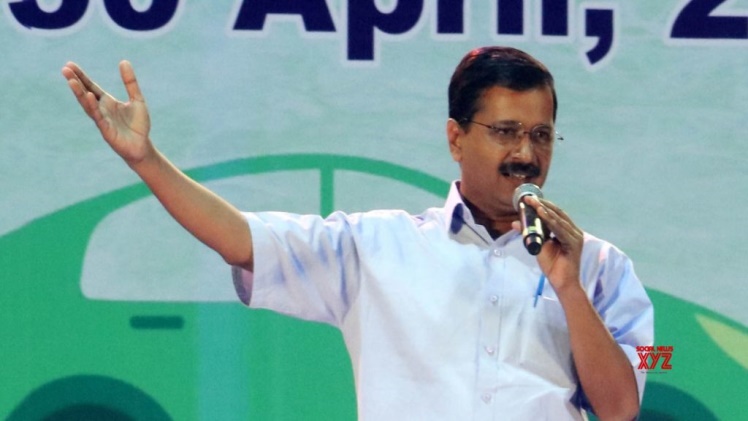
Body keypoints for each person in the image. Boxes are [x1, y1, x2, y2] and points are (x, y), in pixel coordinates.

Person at [62, 46, 653, 420]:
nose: (526, 153)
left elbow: (622, 407)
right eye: (505, 132)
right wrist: (147, 160)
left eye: (542, 135)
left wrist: (569, 288)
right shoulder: (378, 248)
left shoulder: (601, 267)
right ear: (455, 138)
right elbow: (240, 238)